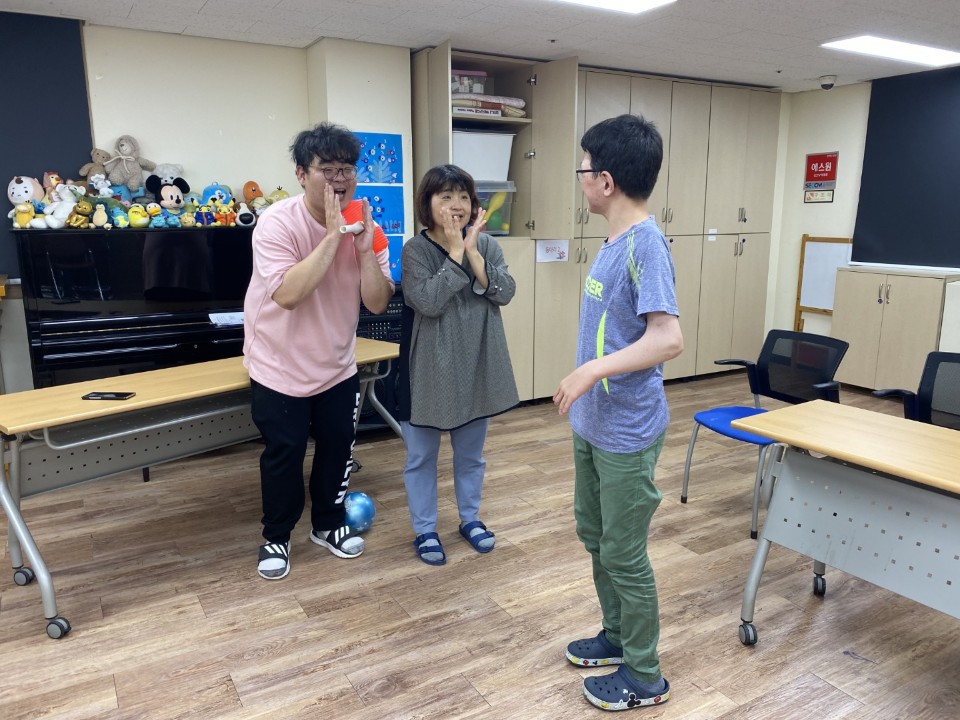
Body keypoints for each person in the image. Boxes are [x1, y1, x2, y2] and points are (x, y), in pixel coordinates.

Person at [553, 114, 683, 711]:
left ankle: (645, 674)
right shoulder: (612, 243)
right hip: (594, 425)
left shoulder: (646, 244)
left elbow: (667, 338)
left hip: (628, 432)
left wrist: (590, 371)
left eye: (583, 169)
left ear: (605, 180)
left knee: (625, 553)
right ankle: (616, 634)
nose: (580, 178)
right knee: (595, 536)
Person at [243, 122, 394, 580]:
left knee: (337, 449)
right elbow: (288, 295)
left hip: (336, 364)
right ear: (301, 174)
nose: (339, 179)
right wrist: (332, 236)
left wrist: (363, 250)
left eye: (346, 169)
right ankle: (277, 535)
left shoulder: (367, 224)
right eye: (326, 169)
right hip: (279, 364)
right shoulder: (277, 223)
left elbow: (377, 302)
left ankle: (327, 525)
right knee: (284, 455)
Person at [395, 164, 519, 566]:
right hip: (427, 370)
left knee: (471, 456)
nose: (456, 205)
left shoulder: (487, 245)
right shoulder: (415, 250)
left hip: (476, 364)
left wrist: (472, 252)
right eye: (445, 196)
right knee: (421, 458)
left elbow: (505, 292)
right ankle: (425, 529)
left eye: (463, 196)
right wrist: (453, 253)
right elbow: (428, 301)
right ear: (427, 204)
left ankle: (470, 519)